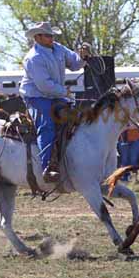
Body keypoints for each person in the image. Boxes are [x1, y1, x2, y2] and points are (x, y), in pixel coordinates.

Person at [19, 22, 89, 182]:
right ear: (37, 37)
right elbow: (44, 86)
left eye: (51, 35)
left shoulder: (59, 48)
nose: (51, 38)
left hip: (55, 93)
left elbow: (75, 64)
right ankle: (47, 167)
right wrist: (65, 92)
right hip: (36, 96)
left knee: (76, 119)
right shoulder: (33, 58)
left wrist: (83, 56)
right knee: (47, 125)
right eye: (48, 35)